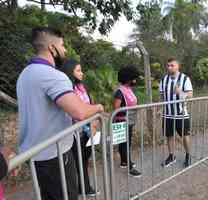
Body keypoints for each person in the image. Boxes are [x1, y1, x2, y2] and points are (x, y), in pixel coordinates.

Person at [17, 27, 104, 200]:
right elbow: (79, 112)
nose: (64, 50)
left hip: (34, 154)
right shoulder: (52, 75)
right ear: (52, 47)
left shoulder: (25, 74)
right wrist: (98, 107)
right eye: (62, 45)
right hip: (54, 155)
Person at [61, 60, 98, 196]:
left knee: (84, 159)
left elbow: (90, 105)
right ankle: (84, 188)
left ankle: (84, 187)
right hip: (73, 133)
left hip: (86, 131)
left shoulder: (82, 87)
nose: (82, 73)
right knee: (78, 162)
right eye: (78, 70)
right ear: (70, 72)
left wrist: (93, 123)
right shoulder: (67, 91)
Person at [159, 57, 193, 168]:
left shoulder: (185, 78)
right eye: (168, 65)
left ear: (178, 66)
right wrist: (161, 107)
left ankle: (188, 155)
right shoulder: (164, 79)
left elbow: (190, 95)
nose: (169, 67)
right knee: (169, 136)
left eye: (172, 65)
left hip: (181, 114)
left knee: (185, 136)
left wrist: (180, 92)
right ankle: (171, 156)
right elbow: (161, 95)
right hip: (167, 113)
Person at [113, 65, 142, 177]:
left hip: (129, 120)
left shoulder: (128, 89)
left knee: (125, 143)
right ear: (128, 78)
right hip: (122, 121)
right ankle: (130, 168)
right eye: (134, 78)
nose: (135, 80)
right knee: (125, 143)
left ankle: (124, 161)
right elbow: (116, 108)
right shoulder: (119, 92)